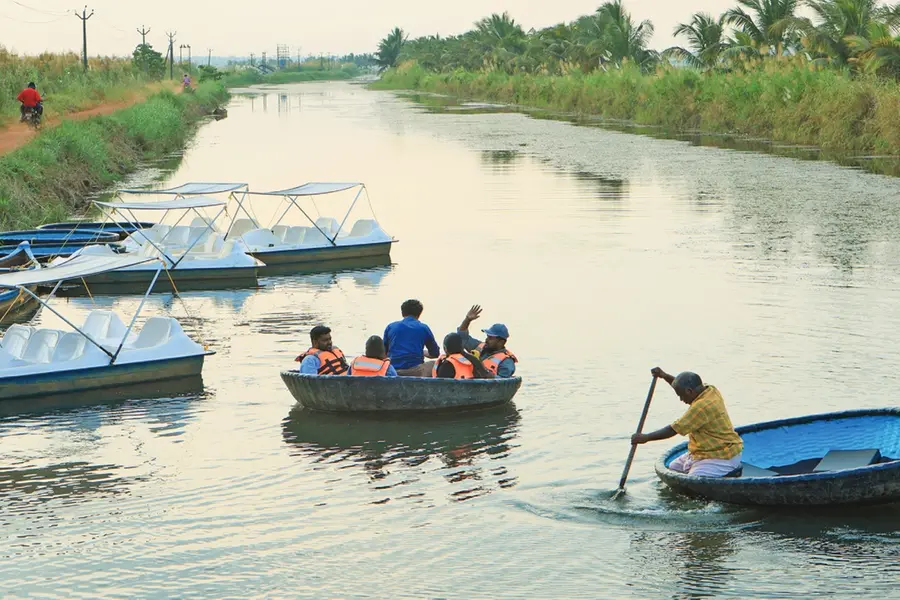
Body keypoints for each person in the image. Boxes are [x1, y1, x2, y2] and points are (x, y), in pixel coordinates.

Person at [631, 367, 743, 477]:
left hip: (722, 455)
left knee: (693, 479)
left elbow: (673, 429)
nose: (681, 400)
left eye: (681, 396)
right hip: (702, 452)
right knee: (673, 468)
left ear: (689, 391)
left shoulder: (701, 407)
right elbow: (683, 386)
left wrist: (646, 438)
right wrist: (665, 376)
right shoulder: (710, 390)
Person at [383, 299, 440, 377]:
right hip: (415, 371)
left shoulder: (391, 327)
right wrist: (422, 352)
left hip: (393, 370)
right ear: (419, 314)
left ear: (402, 313)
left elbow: (383, 353)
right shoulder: (423, 328)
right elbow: (435, 353)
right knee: (433, 364)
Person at [457, 305, 517, 377]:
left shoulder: (507, 362)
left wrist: (484, 372)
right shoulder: (480, 347)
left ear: (501, 342)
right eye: (487, 337)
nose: (486, 340)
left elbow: (502, 382)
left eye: (491, 338)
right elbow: (462, 337)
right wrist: (467, 320)